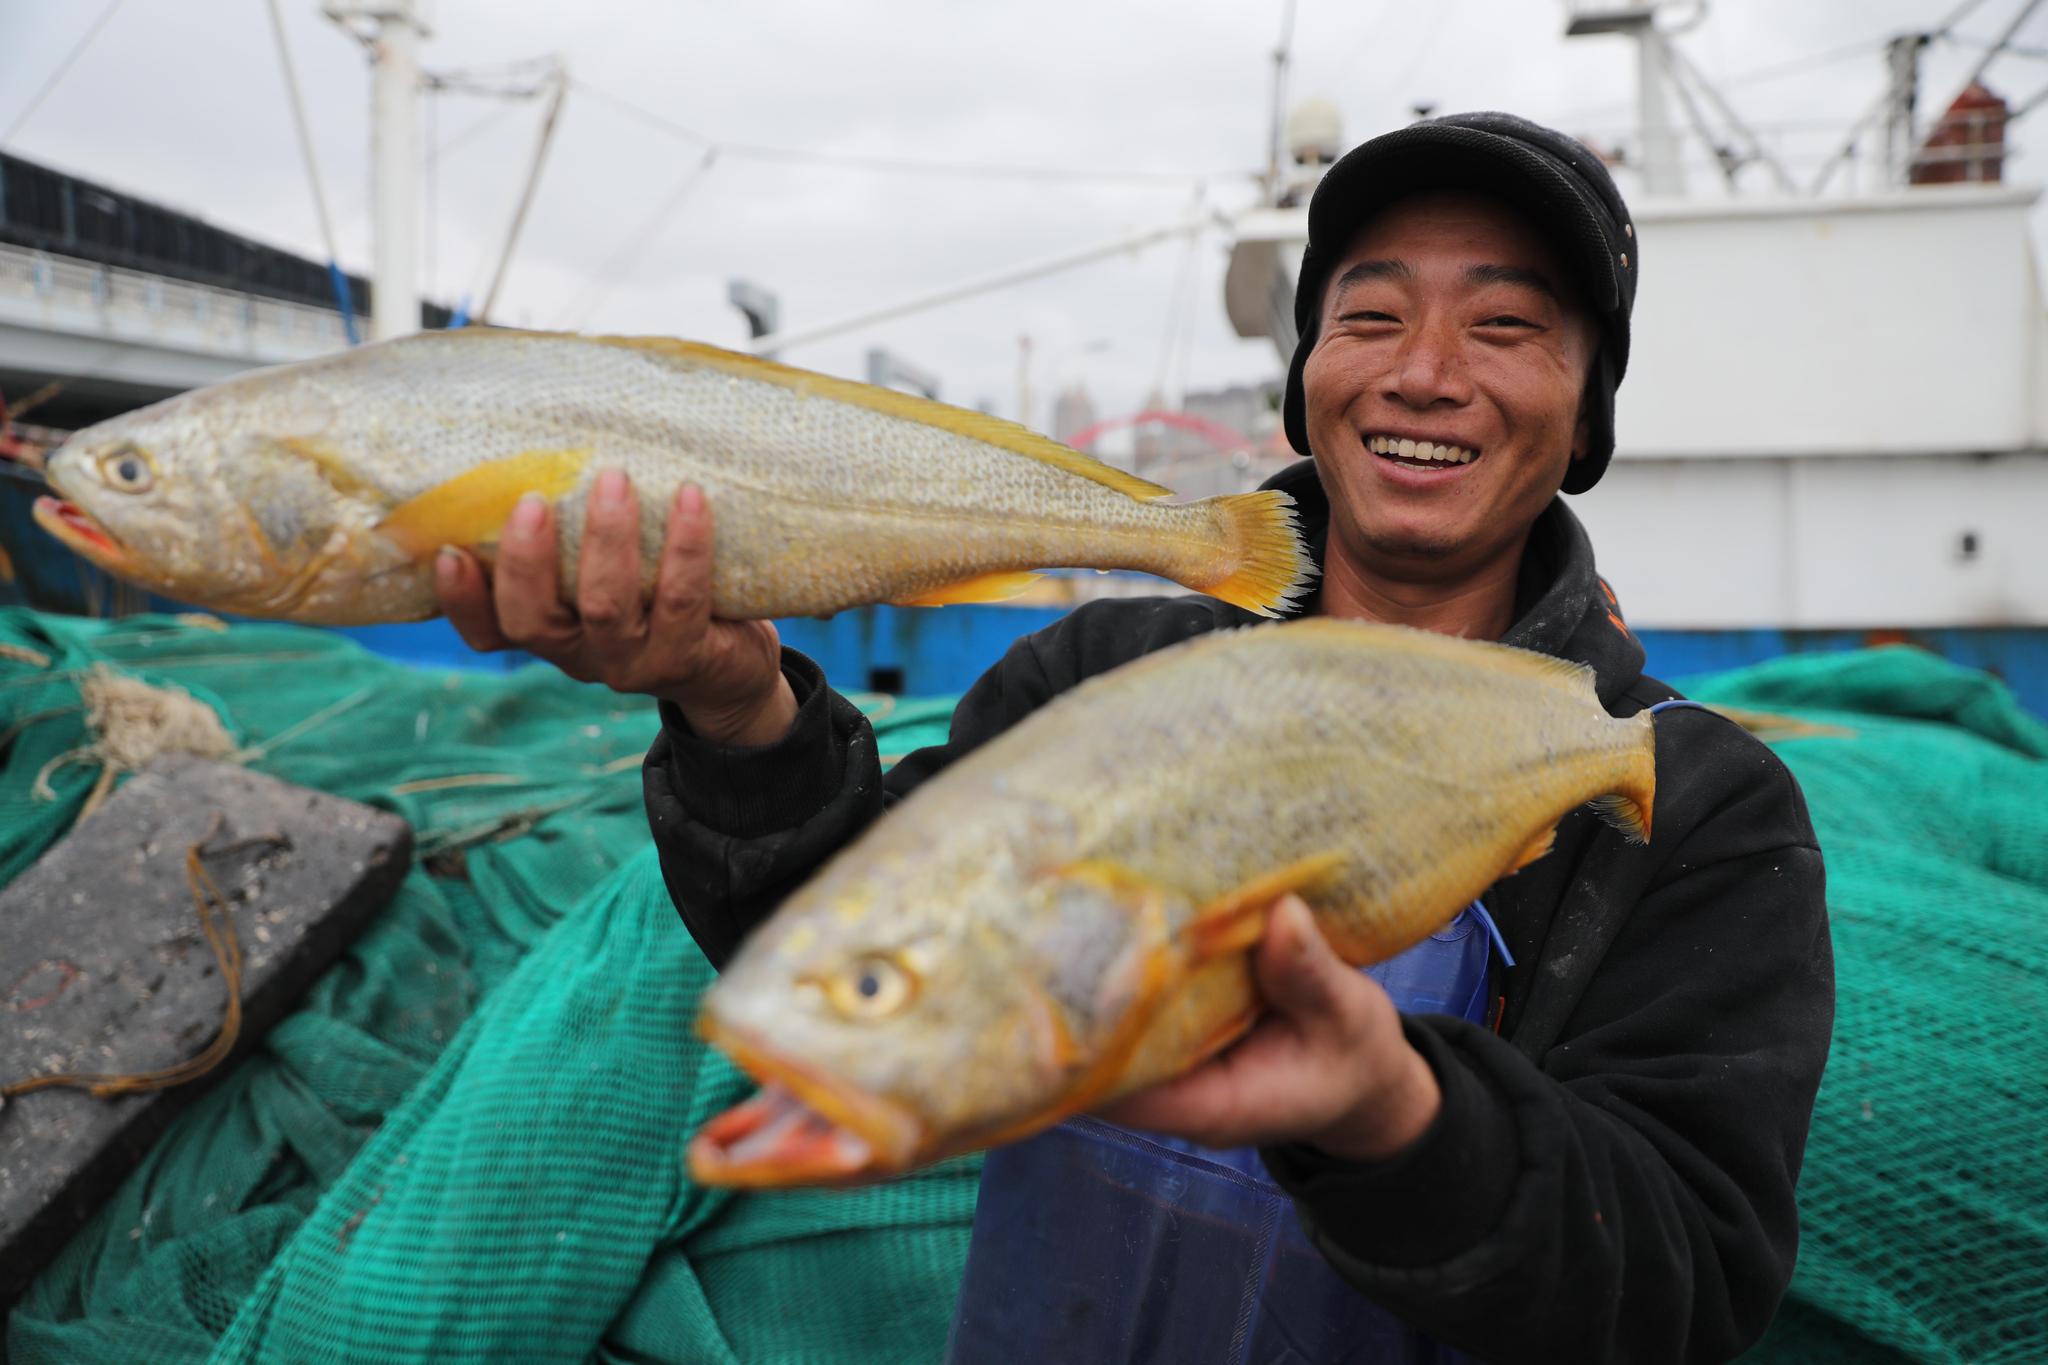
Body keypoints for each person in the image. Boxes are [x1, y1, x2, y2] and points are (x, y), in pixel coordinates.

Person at [437, 112, 1834, 1364]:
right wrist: (738, 703)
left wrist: (1394, 1107)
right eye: (1370, 316)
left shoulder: (1696, 801)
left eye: (1507, 328)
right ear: (1305, 379)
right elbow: (856, 948)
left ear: (1587, 411)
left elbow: (1686, 1286)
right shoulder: (1105, 671)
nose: (1423, 371)